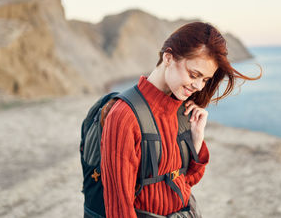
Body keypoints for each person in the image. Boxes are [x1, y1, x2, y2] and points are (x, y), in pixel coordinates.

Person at [100, 21, 261, 218]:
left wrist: (197, 139)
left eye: (205, 80)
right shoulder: (124, 116)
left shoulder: (182, 109)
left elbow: (188, 181)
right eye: (194, 74)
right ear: (168, 57)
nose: (199, 86)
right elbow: (118, 209)